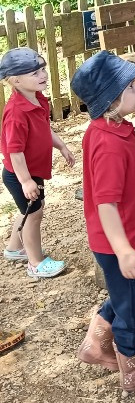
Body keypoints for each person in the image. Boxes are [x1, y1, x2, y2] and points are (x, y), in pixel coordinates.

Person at [71, 51, 135, 393]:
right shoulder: (108, 143)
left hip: (129, 235)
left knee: (125, 295)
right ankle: (134, 370)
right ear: (111, 99)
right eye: (129, 85)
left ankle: (96, 345)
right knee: (133, 308)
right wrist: (124, 250)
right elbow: (106, 204)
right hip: (122, 240)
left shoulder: (114, 128)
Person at [1, 47, 74, 278]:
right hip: (21, 174)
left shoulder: (38, 100)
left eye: (42, 69)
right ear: (16, 81)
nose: (43, 75)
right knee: (34, 214)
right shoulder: (16, 113)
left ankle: (15, 248)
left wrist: (61, 146)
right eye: (35, 73)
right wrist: (25, 181)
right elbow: (15, 152)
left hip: (32, 172)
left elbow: (44, 130)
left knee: (27, 210)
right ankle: (35, 262)